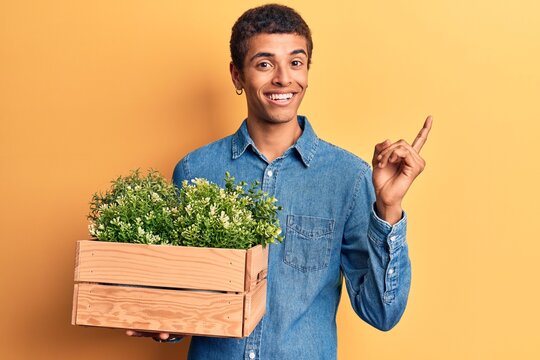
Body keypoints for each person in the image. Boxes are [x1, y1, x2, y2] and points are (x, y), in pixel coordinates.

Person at [127, 4, 432, 359]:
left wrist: (389, 209)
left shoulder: (349, 178)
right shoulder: (195, 170)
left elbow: (382, 314)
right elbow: (180, 297)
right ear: (237, 75)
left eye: (296, 62)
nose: (284, 78)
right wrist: (164, 325)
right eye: (264, 63)